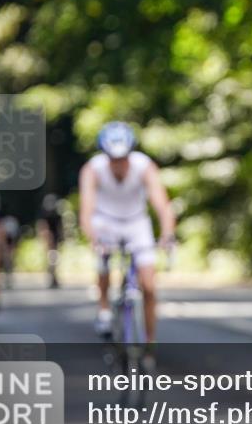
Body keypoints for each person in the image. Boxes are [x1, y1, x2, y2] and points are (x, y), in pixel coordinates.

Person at [79, 122, 175, 348]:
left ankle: (149, 342)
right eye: (114, 158)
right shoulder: (92, 169)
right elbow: (86, 212)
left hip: (136, 222)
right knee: (103, 263)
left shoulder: (144, 166)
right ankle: (104, 309)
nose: (119, 164)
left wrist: (167, 234)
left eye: (123, 158)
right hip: (105, 221)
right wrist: (94, 239)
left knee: (149, 286)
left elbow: (162, 205)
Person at [37, 194, 64, 288]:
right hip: (50, 241)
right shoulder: (45, 216)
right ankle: (52, 277)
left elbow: (60, 229)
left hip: (55, 241)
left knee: (54, 260)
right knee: (51, 260)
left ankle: (54, 277)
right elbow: (43, 228)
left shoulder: (57, 216)